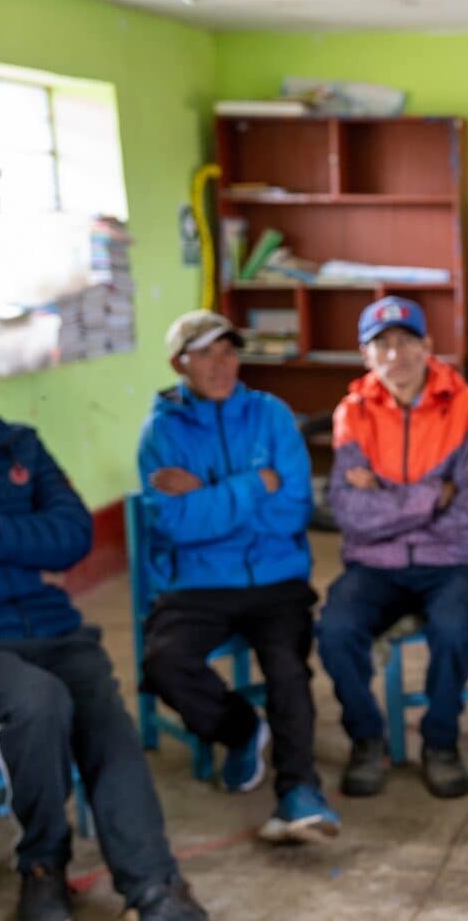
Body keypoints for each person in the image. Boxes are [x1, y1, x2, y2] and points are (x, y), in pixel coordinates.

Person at [0, 351, 207, 920]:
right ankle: (42, 867)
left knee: (105, 720)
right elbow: (47, 550)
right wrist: (27, 563)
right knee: (38, 700)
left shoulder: (18, 444)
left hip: (55, 629)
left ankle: (154, 886)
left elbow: (73, 536)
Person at [136, 310, 338, 844]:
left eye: (228, 351)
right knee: (163, 660)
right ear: (179, 362)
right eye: (205, 353)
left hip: (276, 576)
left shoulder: (272, 415)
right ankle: (241, 729)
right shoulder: (161, 431)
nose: (220, 364)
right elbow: (176, 525)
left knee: (289, 670)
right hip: (197, 582)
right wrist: (254, 485)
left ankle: (299, 792)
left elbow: (293, 510)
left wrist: (206, 492)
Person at [317, 296, 468, 800]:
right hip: (376, 566)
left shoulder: (467, 406)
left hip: (453, 562)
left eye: (405, 341)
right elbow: (351, 513)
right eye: (382, 345)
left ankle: (441, 742)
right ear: (365, 356)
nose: (395, 354)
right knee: (335, 630)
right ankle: (366, 738)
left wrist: (388, 500)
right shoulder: (350, 413)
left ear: (427, 346)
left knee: (456, 629)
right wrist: (432, 496)